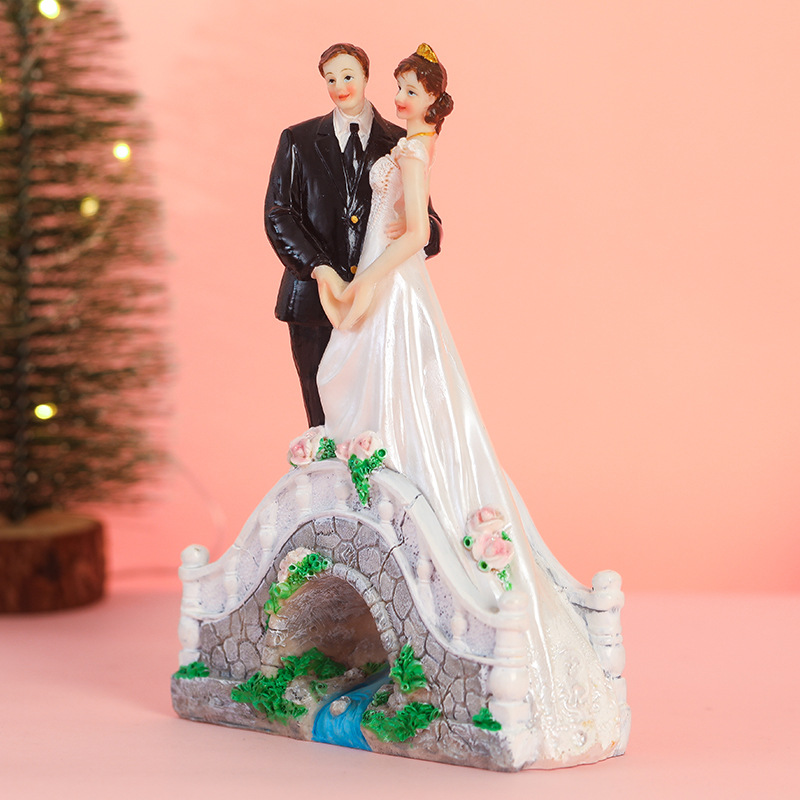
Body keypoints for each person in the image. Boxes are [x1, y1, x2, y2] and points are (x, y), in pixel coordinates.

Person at [313, 44, 623, 766]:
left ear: (432, 99)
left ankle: (402, 488)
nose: (399, 97)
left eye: (410, 89)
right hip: (382, 278)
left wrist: (369, 280)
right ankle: (377, 477)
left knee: (391, 383)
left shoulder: (416, 150)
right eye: (397, 87)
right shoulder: (404, 146)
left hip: (396, 286)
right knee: (357, 374)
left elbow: (418, 234)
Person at [265, 43, 443, 427]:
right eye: (331, 79)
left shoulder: (400, 141)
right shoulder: (297, 139)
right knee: (321, 417)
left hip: (375, 305)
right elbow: (279, 214)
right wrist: (319, 269)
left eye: (348, 76)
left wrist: (411, 228)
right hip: (313, 302)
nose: (340, 87)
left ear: (365, 76)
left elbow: (429, 226)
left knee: (373, 416)